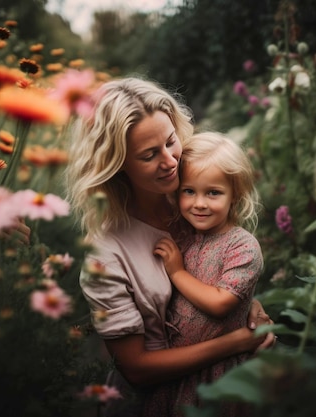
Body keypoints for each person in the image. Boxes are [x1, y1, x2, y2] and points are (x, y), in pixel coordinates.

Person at [65, 77, 274, 416]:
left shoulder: (192, 198)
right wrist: (234, 342)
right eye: (149, 155)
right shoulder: (107, 254)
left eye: (171, 141)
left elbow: (219, 268)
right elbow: (137, 370)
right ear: (116, 166)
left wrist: (246, 306)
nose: (170, 160)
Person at [150, 131, 264, 416]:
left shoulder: (242, 246)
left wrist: (177, 272)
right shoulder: (182, 235)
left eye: (213, 192)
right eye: (189, 191)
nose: (199, 203)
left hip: (219, 374)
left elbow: (220, 303)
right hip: (176, 368)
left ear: (235, 194)